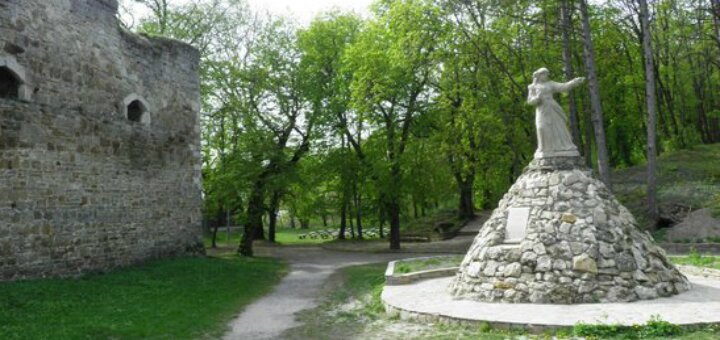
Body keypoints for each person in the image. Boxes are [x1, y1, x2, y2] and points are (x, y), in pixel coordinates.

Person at [527, 67, 585, 158]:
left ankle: (561, 147)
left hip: (552, 108)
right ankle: (544, 148)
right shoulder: (532, 86)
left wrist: (574, 82)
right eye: (544, 74)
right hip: (541, 109)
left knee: (558, 127)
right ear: (539, 75)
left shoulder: (551, 84)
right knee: (541, 127)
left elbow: (563, 87)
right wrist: (536, 99)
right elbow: (530, 101)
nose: (546, 76)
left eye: (547, 74)